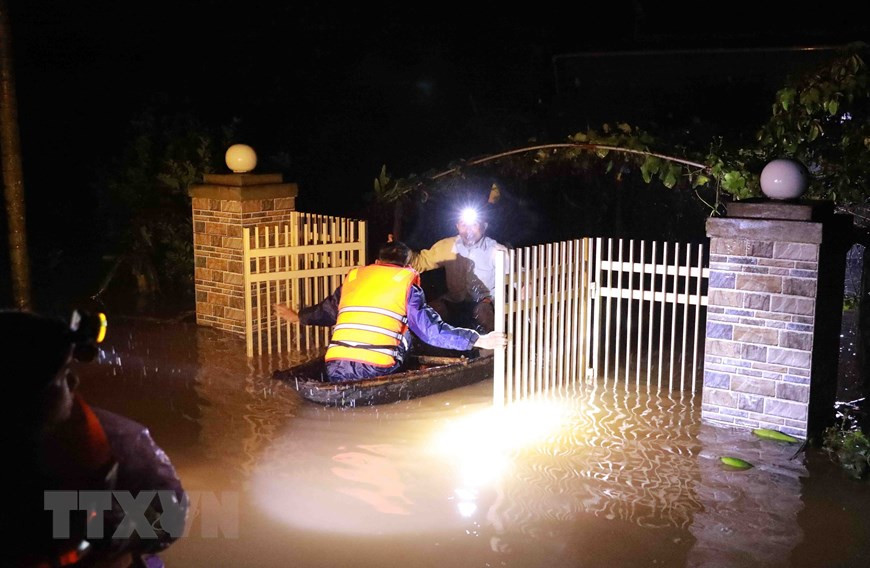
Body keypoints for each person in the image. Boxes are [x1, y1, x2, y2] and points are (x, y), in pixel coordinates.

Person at [5, 310, 187, 568]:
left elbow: (170, 515)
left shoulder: (120, 440)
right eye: (60, 376)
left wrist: (117, 529)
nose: (74, 380)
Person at [273, 241, 507, 382]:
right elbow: (431, 331)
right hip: (377, 367)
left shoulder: (355, 277)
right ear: (407, 265)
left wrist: (297, 317)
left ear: (377, 261)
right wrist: (478, 340)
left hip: (334, 366)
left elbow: (326, 311)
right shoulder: (406, 284)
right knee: (408, 330)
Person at [407, 206, 507, 333]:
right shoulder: (447, 246)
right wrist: (399, 254)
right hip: (456, 299)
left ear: (483, 226)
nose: (468, 230)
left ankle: (490, 351)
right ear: (457, 226)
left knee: (483, 312)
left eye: (474, 225)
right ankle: (431, 349)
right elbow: (421, 262)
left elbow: (518, 275)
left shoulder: (496, 250)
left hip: (486, 302)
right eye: (463, 225)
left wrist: (526, 287)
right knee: (429, 312)